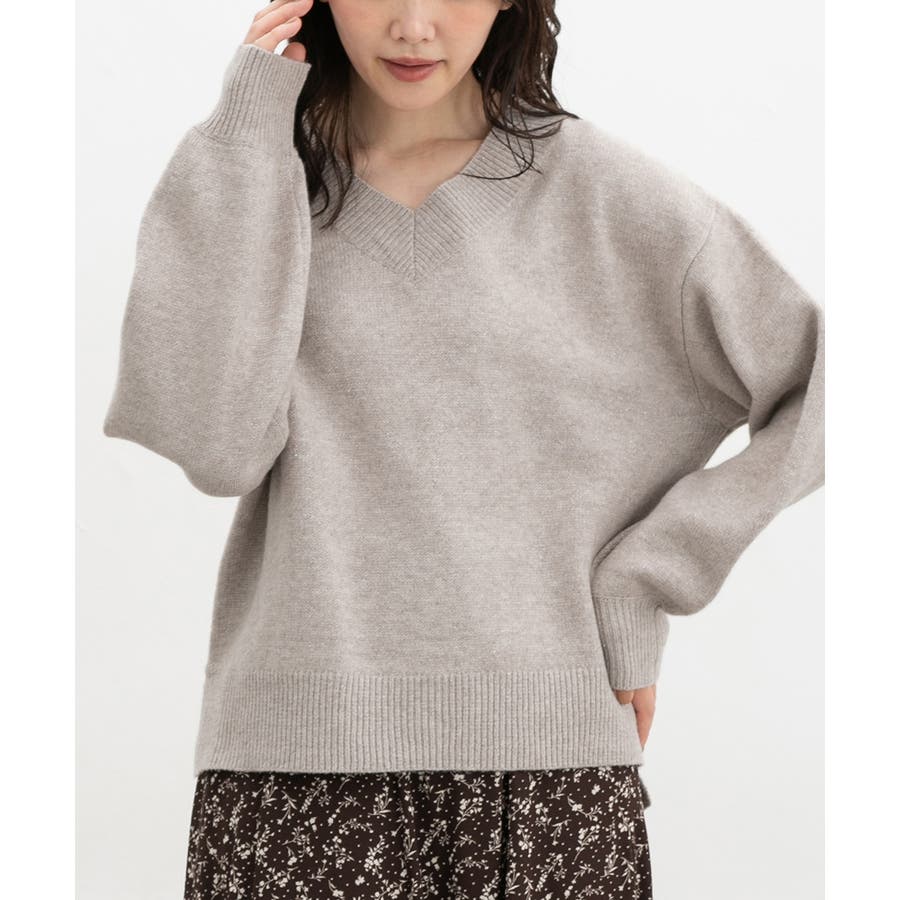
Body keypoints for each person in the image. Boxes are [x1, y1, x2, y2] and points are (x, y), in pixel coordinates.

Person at [101, 1, 825, 897]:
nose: (414, 26)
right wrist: (250, 126)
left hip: (550, 779)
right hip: (291, 776)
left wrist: (648, 580)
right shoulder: (253, 176)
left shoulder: (609, 197)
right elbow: (215, 449)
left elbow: (830, 389)